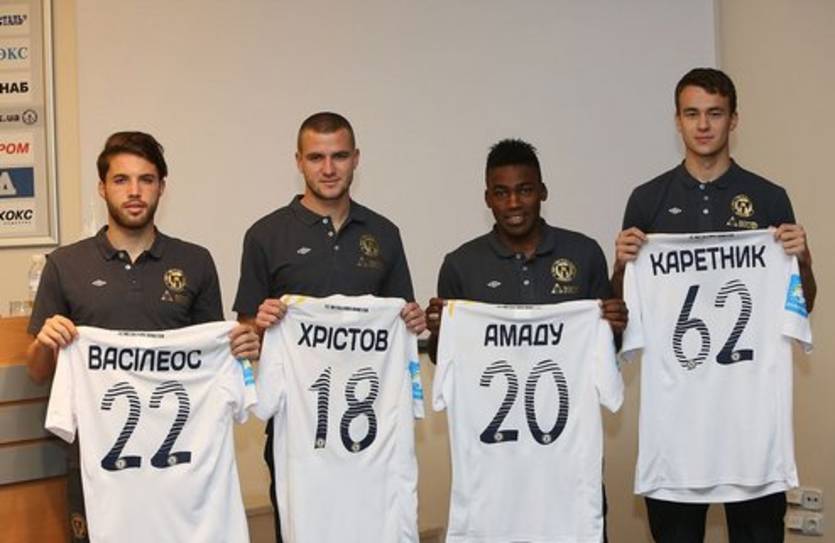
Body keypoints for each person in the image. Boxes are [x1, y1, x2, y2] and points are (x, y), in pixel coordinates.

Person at [613, 67, 817, 542]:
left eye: (715, 113)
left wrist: (802, 260)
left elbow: (801, 305)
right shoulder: (647, 200)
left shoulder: (769, 198)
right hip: (675, 433)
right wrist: (621, 265)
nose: (703, 125)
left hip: (752, 432)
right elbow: (622, 315)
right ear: (677, 121)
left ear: (734, 120)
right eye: (692, 114)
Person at [26, 131, 260, 542]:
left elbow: (212, 355)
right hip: (98, 461)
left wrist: (240, 349)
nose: (134, 191)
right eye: (121, 180)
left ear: (162, 187)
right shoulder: (65, 264)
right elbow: (38, 372)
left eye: (146, 179)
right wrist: (45, 343)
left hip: (179, 464)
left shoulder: (195, 261)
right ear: (102, 188)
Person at [233, 111, 425, 541]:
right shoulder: (265, 235)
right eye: (316, 157)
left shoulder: (385, 233)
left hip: (371, 432)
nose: (328, 168)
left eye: (339, 156)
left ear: (356, 158)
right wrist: (260, 326)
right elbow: (246, 339)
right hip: (298, 431)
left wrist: (413, 322)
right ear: (298, 161)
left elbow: (401, 320)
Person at [425, 138, 627, 542]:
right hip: (493, 475)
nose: (514, 203)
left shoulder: (583, 253)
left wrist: (614, 326)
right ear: (487, 199)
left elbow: (604, 352)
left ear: (543, 192)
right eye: (501, 193)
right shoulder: (461, 265)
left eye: (525, 190)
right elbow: (441, 358)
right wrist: (439, 331)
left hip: (569, 469)